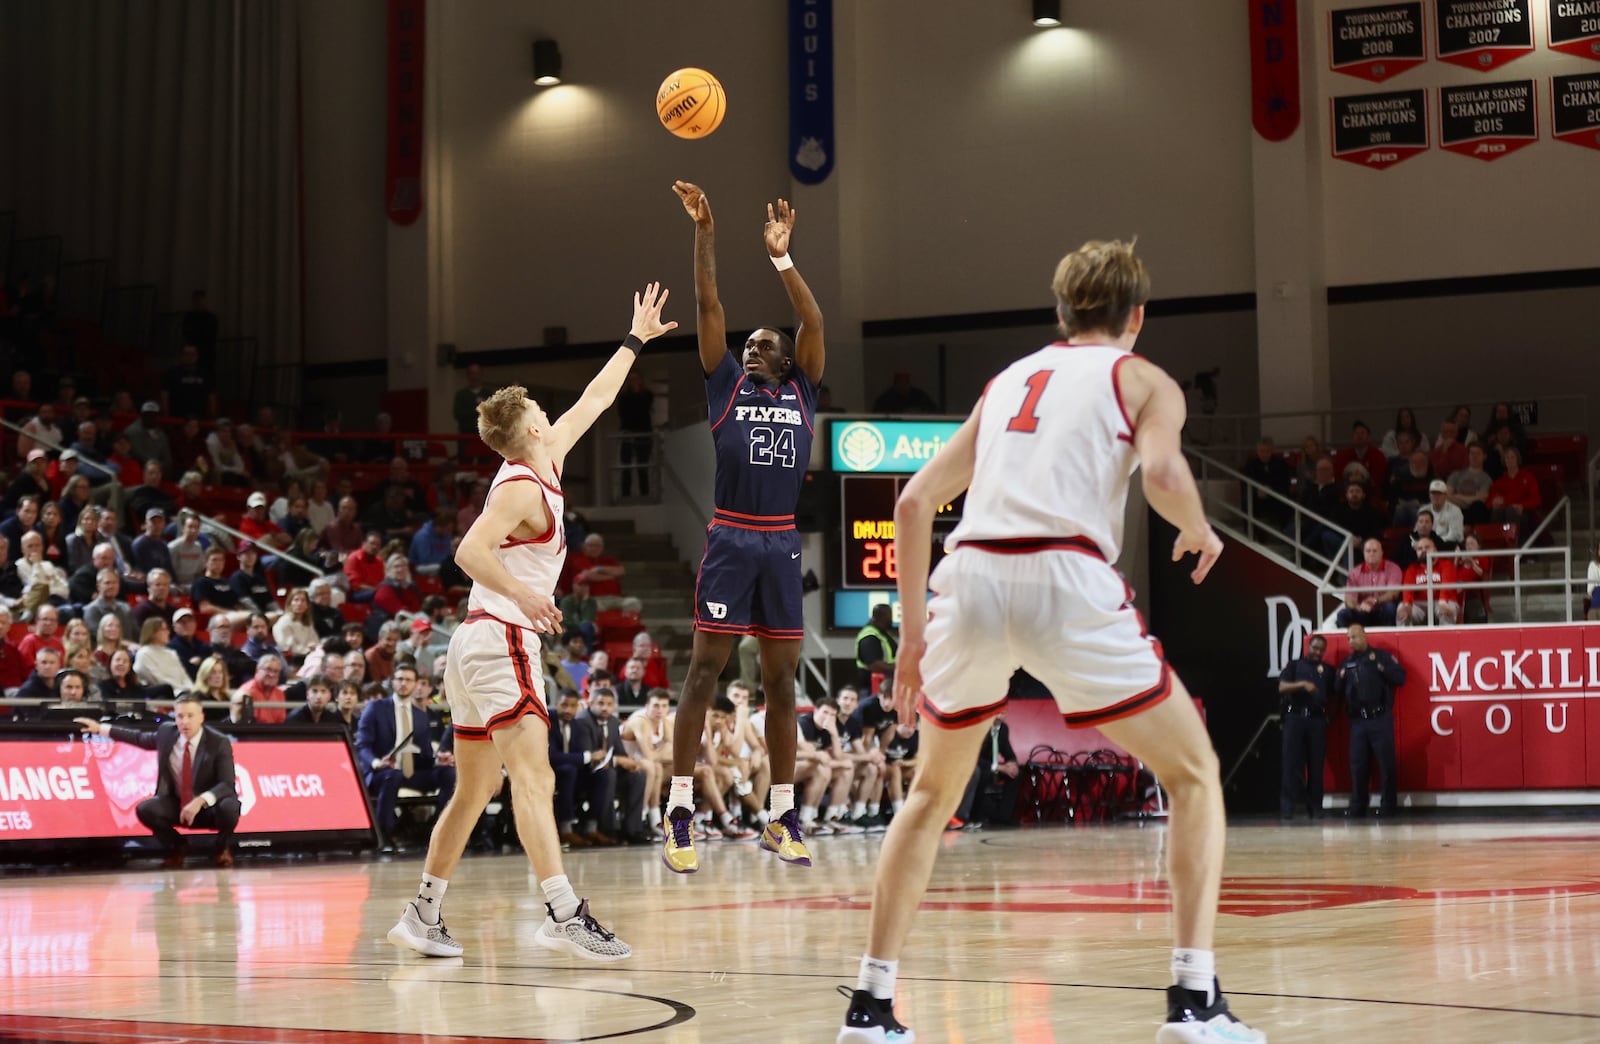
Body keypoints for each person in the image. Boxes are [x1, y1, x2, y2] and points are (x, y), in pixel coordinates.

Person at [836, 240, 1261, 1044]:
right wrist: (1200, 529)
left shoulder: (1007, 382)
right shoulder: (1142, 379)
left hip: (972, 579)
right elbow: (1165, 475)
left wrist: (914, 638)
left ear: (1062, 313)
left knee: (929, 798)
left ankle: (871, 1007)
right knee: (1195, 772)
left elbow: (917, 502)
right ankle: (1194, 1000)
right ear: (1137, 316)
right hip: (1064, 574)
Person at [384, 281, 674, 964]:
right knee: (534, 777)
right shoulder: (520, 485)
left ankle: (423, 913)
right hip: (500, 636)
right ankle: (562, 912)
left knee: (479, 786)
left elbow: (597, 398)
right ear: (533, 429)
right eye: (543, 407)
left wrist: (636, 337)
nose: (552, 410)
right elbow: (468, 551)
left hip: (480, 640)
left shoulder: (546, 458)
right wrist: (525, 593)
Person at [662, 181, 824, 876]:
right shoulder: (725, 383)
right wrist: (706, 230)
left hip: (781, 541)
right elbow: (708, 304)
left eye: (764, 344)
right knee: (704, 671)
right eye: (747, 344)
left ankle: (782, 817)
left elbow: (813, 323)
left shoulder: (803, 389)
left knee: (783, 685)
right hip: (731, 536)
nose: (750, 348)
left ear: (785, 361)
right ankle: (677, 811)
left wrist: (783, 260)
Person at [76, 693, 241, 868]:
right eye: (180, 716)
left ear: (201, 717)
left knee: (230, 807)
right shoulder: (166, 733)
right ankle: (178, 846)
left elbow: (227, 784)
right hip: (177, 804)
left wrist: (199, 801)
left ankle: (222, 848)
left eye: (190, 716)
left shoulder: (218, 742)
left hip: (209, 808)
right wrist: (100, 728)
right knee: (146, 809)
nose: (184, 722)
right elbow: (139, 737)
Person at [1336, 624, 1405, 819]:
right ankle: (1358, 806)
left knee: (1386, 764)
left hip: (1379, 718)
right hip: (1358, 721)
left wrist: (1382, 669)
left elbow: (1400, 677)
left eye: (1355, 637)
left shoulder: (1381, 657)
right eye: (1348, 638)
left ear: (1364, 636)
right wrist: (1340, 678)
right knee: (1358, 765)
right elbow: (1337, 688)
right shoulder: (1347, 662)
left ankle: (1388, 806)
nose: (1351, 641)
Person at [1277, 634, 1330, 820]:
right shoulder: (1294, 665)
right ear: (1308, 646)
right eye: (1315, 648)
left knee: (1316, 766)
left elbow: (1337, 692)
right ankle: (1288, 809)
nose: (1317, 652)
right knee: (1291, 765)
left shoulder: (1327, 670)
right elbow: (1282, 687)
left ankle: (1316, 808)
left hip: (1317, 721)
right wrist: (1302, 684)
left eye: (1321, 650)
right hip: (1295, 719)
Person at [1335, 538, 1403, 628]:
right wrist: (1358, 607)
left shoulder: (1393, 568)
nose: (1371, 554)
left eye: (1375, 551)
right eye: (1368, 551)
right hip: (1363, 611)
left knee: (1389, 607)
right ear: (1363, 553)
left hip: (1382, 609)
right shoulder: (1355, 572)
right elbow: (1349, 599)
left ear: (1382, 552)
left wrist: (1375, 601)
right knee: (1343, 614)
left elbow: (1393, 594)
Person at [854, 602, 897, 693]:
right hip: (872, 688)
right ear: (880, 617)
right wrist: (898, 668)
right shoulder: (869, 636)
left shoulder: (882, 633)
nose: (891, 620)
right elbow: (874, 665)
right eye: (888, 616)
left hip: (885, 686)